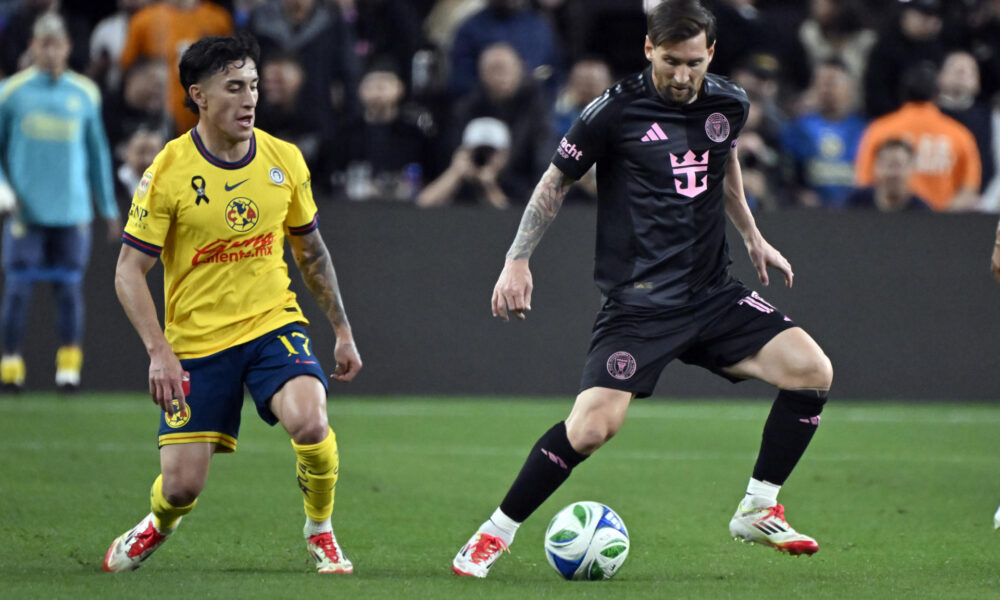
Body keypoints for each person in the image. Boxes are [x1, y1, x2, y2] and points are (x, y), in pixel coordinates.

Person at [452, 0, 833, 578]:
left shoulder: (729, 102)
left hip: (712, 293)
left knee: (812, 370)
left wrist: (753, 235)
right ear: (649, 49)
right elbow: (555, 181)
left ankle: (758, 506)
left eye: (694, 63)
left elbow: (722, 159)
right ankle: (493, 534)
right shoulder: (613, 111)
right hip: (640, 304)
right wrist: (516, 259)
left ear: (711, 54)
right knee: (591, 427)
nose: (683, 76)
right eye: (672, 61)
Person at [102, 32, 362, 575]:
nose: (249, 100)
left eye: (254, 86)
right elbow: (129, 271)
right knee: (181, 486)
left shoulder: (283, 160)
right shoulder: (167, 172)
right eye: (233, 88)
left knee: (311, 422)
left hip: (272, 324)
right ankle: (158, 523)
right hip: (195, 343)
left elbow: (310, 250)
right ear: (197, 95)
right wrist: (158, 351)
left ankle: (321, 531)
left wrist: (341, 329)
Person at [0, 14, 120, 392]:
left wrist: (108, 206)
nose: (51, 52)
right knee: (17, 290)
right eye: (44, 44)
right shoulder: (12, 92)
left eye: (58, 44)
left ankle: (68, 371)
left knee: (69, 290)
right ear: (33, 46)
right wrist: (3, 190)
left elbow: (98, 152)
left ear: (67, 48)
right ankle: (10, 368)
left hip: (72, 211)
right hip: (25, 211)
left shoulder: (85, 93)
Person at [855, 62, 981, 212]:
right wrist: (941, 218)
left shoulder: (879, 130)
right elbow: (969, 191)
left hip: (887, 222)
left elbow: (863, 181)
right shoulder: (960, 134)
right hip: (942, 228)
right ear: (936, 95)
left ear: (902, 94)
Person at [120, 0, 233, 135]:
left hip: (209, 127)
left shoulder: (218, 20)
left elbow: (230, 73)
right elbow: (128, 79)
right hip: (156, 128)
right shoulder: (143, 21)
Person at [780, 58, 867, 209]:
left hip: (856, 212)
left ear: (849, 87)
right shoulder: (798, 128)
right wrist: (799, 193)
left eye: (833, 83)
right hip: (811, 214)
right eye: (821, 83)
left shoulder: (864, 129)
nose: (827, 89)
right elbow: (787, 175)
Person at [416, 116, 511, 208]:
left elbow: (516, 220)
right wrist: (455, 172)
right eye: (478, 151)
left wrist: (491, 187)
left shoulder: (512, 184)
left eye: (490, 152)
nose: (483, 157)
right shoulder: (458, 183)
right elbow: (421, 206)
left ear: (505, 155)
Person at [844, 138, 930, 211]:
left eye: (899, 166)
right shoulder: (856, 203)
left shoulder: (922, 210)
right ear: (877, 167)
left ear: (911, 168)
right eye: (889, 165)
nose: (894, 173)